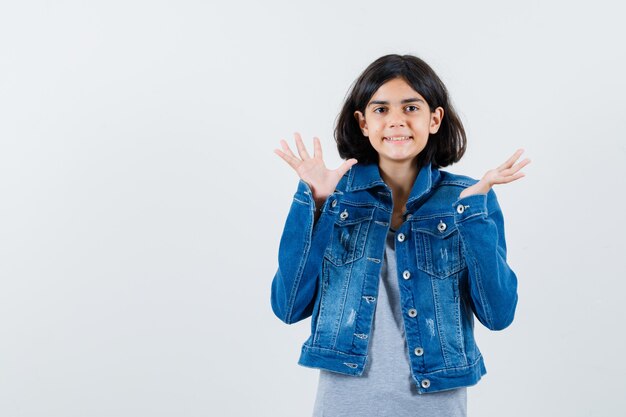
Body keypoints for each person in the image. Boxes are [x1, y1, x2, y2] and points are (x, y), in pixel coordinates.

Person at [270, 54, 530, 417]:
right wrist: (315, 205)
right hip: (344, 403)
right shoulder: (334, 196)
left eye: (411, 107)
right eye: (380, 110)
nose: (396, 121)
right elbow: (288, 306)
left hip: (436, 403)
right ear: (362, 122)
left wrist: (472, 215)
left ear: (434, 119)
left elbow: (497, 314)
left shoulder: (468, 200)